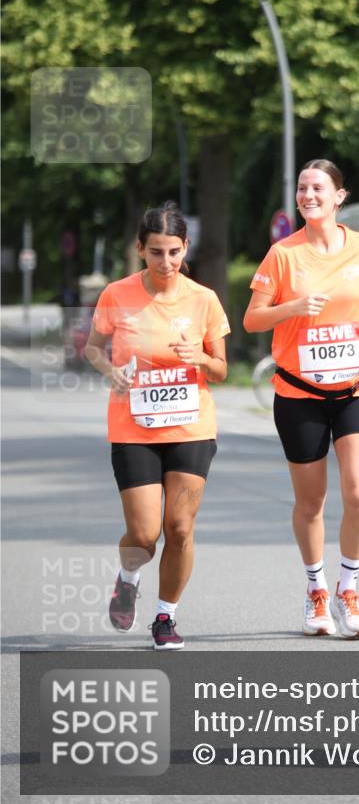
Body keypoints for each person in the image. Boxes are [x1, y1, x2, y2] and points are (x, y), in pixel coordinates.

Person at [244, 160, 359, 638]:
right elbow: (252, 320)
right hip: (300, 392)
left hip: (358, 386)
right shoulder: (283, 254)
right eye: (302, 188)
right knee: (312, 501)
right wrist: (293, 307)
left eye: (318, 187)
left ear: (339, 196)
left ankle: (349, 589)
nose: (308, 194)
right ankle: (316, 592)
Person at [85, 202, 230, 649]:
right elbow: (93, 348)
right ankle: (128, 576)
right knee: (146, 535)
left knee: (180, 528)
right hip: (134, 428)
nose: (165, 262)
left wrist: (200, 358)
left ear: (185, 248)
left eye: (173, 252)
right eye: (155, 252)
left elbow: (222, 369)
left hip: (190, 428)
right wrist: (112, 372)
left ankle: (165, 618)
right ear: (140, 250)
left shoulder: (203, 299)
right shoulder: (117, 294)